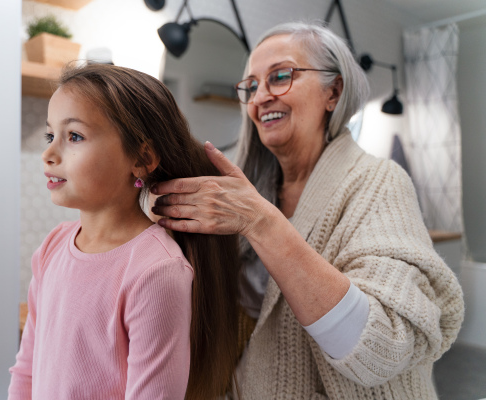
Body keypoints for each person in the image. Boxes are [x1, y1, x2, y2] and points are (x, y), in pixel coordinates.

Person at [151, 22, 464, 399]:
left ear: (333, 92)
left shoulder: (379, 182)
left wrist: (263, 223)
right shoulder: (252, 189)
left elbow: (380, 348)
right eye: (251, 86)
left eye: (280, 76)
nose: (260, 96)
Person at [8, 64, 241, 400]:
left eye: (74, 136)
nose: (48, 154)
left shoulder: (156, 272)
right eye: (50, 135)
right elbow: (26, 369)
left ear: (141, 158)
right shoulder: (53, 246)